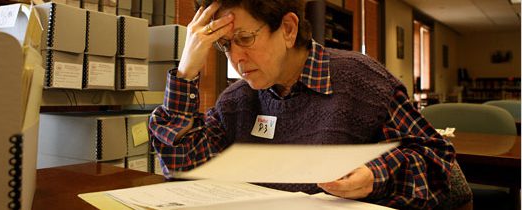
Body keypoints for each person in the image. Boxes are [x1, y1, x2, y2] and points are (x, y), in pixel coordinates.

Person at [148, 0, 456, 209]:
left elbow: (438, 163)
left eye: (244, 38)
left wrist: (376, 176)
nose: (236, 59)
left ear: (288, 29)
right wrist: (186, 73)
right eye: (225, 45)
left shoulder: (362, 80)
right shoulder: (237, 100)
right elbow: (182, 170)